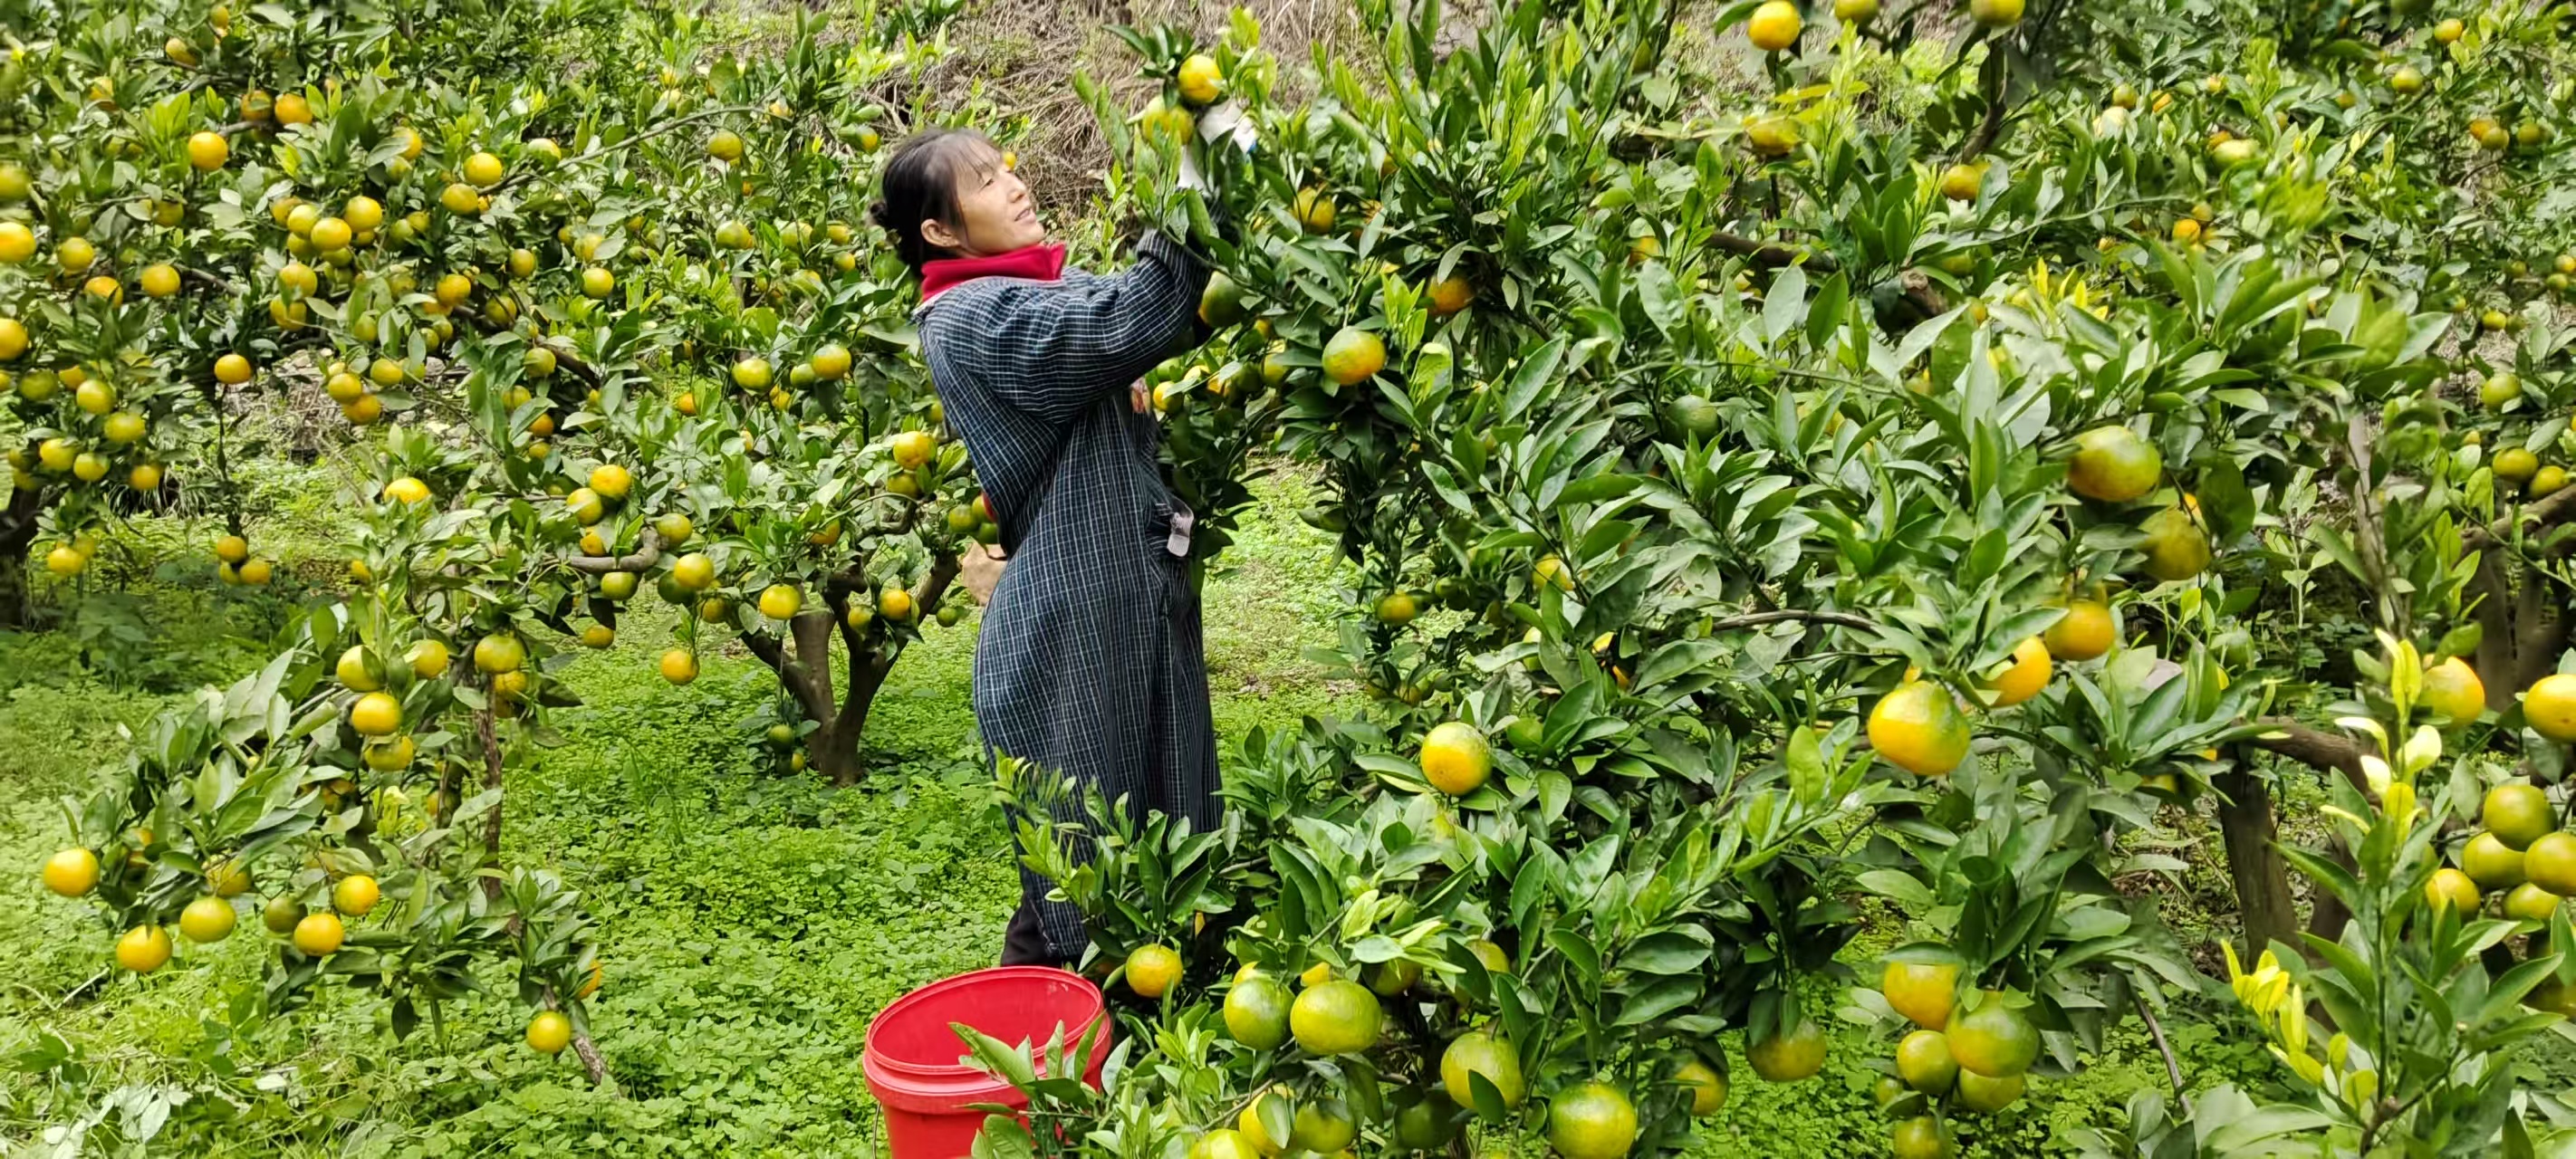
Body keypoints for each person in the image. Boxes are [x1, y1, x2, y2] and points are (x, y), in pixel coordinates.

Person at [870, 129, 1220, 968]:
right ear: (941, 233)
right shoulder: (977, 316)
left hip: (1114, 601)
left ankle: (1129, 1046)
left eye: (1009, 170)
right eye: (987, 183)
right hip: (1074, 625)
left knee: (1158, 836)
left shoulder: (1028, 294)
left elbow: (1160, 314)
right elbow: (1132, 314)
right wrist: (1200, 179)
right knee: (1088, 869)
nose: (1018, 188)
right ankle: (1055, 1069)